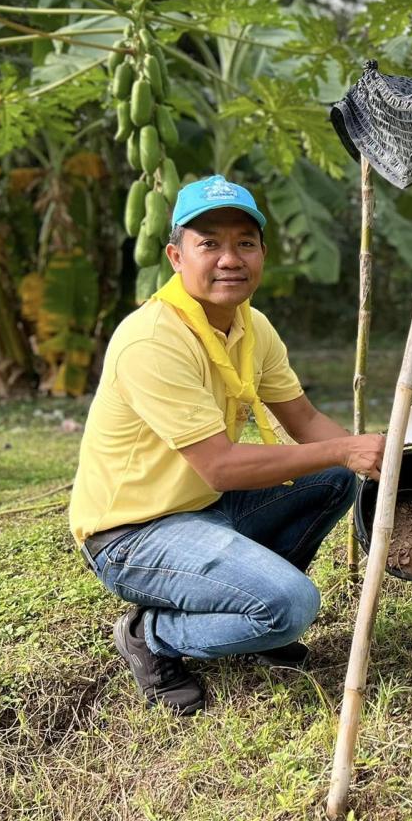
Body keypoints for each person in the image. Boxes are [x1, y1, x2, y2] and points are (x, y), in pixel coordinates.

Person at [68, 175, 386, 715]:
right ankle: (151, 635)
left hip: (204, 508)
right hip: (133, 533)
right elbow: (219, 465)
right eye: (209, 243)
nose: (230, 259)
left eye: (244, 243)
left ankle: (248, 612)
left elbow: (305, 420)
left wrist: (387, 464)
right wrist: (344, 450)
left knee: (333, 480)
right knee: (291, 606)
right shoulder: (153, 339)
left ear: (262, 253)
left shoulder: (251, 326)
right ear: (176, 257)